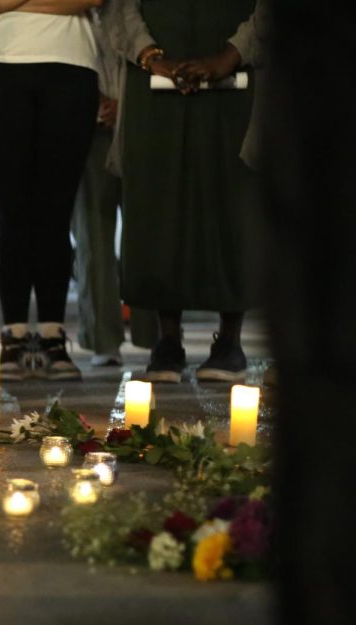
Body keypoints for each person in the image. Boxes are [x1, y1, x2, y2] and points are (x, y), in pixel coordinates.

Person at [101, 0, 263, 383]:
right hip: (153, 79)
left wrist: (230, 54)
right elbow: (119, 7)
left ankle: (230, 341)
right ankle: (167, 340)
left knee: (231, 199)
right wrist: (150, 56)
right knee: (158, 199)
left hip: (236, 78)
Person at [0, 0, 103, 382]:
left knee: (55, 213)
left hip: (72, 66)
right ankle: (13, 334)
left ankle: (52, 335)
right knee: (10, 211)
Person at [70, 11, 157, 367]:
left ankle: (158, 335)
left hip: (141, 126)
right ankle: (103, 339)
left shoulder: (131, 8)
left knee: (149, 236)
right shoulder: (69, 12)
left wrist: (127, 102)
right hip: (87, 134)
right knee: (93, 238)